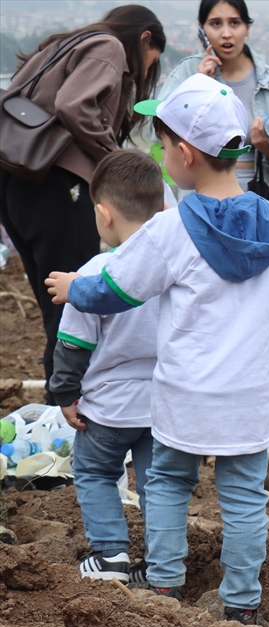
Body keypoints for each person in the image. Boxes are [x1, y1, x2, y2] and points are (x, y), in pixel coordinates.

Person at [46, 73, 269, 627]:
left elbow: (118, 287)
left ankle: (163, 578)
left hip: (187, 394)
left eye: (163, 145)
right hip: (250, 396)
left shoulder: (173, 229)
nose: (161, 155)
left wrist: (75, 287)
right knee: (243, 495)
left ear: (186, 154)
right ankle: (241, 601)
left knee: (165, 481)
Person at [0, 5, 166, 396]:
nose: (143, 73)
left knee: (53, 301)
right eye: (149, 62)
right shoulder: (109, 47)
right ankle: (71, 404)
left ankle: (61, 396)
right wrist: (114, 159)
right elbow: (73, 105)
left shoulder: (62, 44)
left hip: (17, 180)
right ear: (144, 39)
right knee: (74, 301)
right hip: (59, 184)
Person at [48, 150, 164, 583]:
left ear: (103, 214)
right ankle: (160, 560)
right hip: (160, 406)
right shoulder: (170, 273)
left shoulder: (94, 272)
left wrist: (64, 394)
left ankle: (111, 552)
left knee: (95, 472)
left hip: (106, 409)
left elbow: (73, 344)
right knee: (159, 483)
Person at [159, 0, 269, 193]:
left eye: (235, 23)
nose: (226, 33)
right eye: (215, 24)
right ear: (201, 29)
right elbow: (157, 130)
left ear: (247, 28)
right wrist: (197, 86)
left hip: (260, 193)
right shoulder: (187, 73)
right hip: (202, 193)